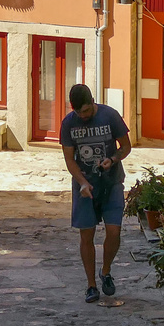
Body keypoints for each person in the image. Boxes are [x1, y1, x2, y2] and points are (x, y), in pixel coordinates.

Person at [60, 82, 132, 304]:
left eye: (87, 111)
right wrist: (82, 182)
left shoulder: (110, 116)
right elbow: (69, 159)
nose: (84, 115)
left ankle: (106, 271)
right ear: (74, 109)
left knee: (114, 231)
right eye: (80, 112)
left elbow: (126, 146)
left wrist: (113, 159)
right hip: (85, 187)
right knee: (86, 235)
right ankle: (91, 285)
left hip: (111, 183)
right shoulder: (68, 124)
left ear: (93, 102)